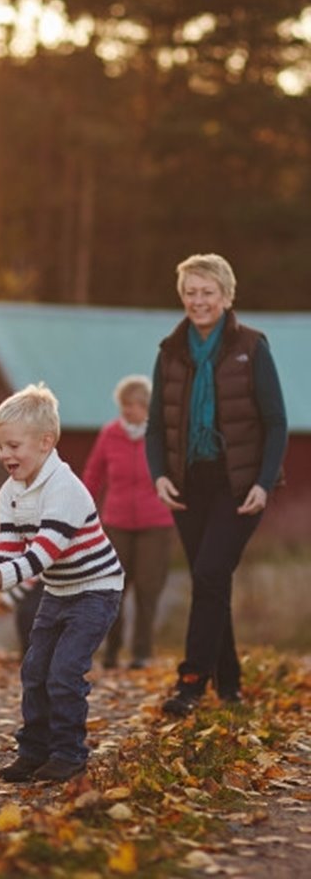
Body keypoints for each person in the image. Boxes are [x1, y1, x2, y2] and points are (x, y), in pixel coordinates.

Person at [146, 253, 287, 717]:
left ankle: (190, 684)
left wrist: (265, 483)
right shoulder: (170, 352)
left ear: (226, 297)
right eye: (190, 292)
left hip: (239, 483)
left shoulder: (252, 346)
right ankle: (229, 684)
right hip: (188, 485)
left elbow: (276, 422)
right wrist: (160, 474)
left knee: (207, 574)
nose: (198, 300)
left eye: (207, 292)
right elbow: (154, 427)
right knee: (212, 581)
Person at [0, 384, 124, 783]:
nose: (5, 455)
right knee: (34, 669)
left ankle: (69, 753)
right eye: (0, 447)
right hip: (58, 590)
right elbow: (8, 540)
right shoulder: (11, 492)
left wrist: (4, 577)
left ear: (46, 442)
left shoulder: (65, 489)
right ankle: (33, 750)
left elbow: (44, 552)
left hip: (95, 589)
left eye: (14, 446)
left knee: (64, 671)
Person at [83, 375, 174, 670]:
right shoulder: (110, 434)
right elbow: (93, 475)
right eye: (124, 405)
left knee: (149, 589)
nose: (127, 411)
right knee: (113, 588)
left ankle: (141, 653)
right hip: (116, 522)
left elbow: (178, 475)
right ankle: (111, 651)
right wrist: (82, 511)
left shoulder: (162, 435)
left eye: (133, 405)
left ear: (147, 406)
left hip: (156, 523)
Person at [0, 506, 44, 658]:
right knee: (24, 615)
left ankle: (33, 656)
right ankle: (27, 654)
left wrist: (7, 600)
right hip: (35, 586)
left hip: (43, 582)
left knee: (29, 615)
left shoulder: (27, 546)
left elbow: (31, 577)